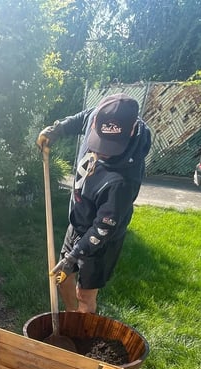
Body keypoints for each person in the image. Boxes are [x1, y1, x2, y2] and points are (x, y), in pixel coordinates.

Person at [37, 93, 152, 313]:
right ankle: (72, 317)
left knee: (84, 294)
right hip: (79, 221)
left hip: (102, 238)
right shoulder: (99, 117)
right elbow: (83, 117)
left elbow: (102, 228)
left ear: (130, 130)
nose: (99, 152)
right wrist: (58, 129)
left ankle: (82, 329)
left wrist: (74, 255)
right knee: (62, 278)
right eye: (99, 142)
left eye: (110, 147)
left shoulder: (124, 181)